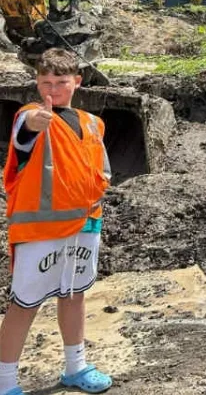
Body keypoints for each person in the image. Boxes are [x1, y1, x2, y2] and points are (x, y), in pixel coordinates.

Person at [0, 49, 113, 395]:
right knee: (25, 303)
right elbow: (23, 135)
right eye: (45, 83)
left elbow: (100, 171)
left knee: (75, 295)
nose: (52, 90)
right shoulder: (30, 114)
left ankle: (76, 367)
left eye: (61, 82)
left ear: (77, 82)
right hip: (40, 230)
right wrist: (35, 124)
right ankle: (5, 383)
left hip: (85, 225)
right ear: (36, 83)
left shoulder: (93, 123)